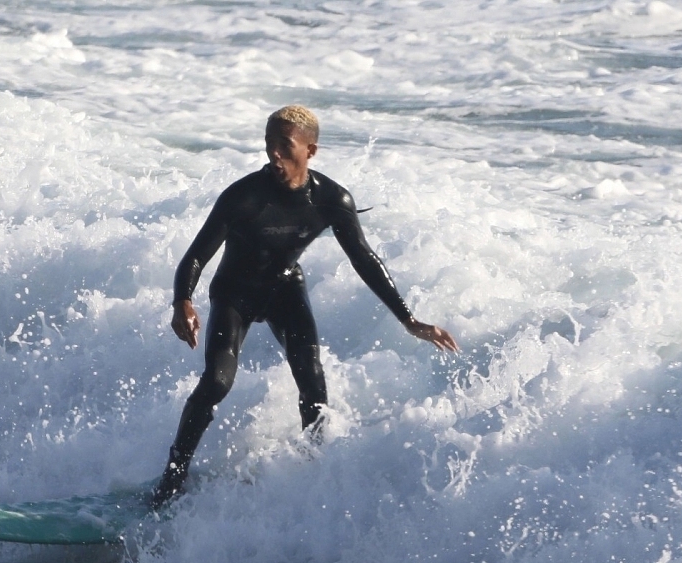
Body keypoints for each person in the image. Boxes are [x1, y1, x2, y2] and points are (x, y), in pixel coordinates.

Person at [150, 105, 458, 510]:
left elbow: (364, 260)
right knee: (217, 382)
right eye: (268, 146)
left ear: (310, 151)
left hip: (284, 289)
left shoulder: (331, 199)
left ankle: (314, 471)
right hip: (235, 293)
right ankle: (172, 478)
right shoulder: (243, 197)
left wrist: (409, 320)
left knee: (312, 380)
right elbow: (195, 257)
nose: (273, 155)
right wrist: (182, 301)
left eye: (284, 147)